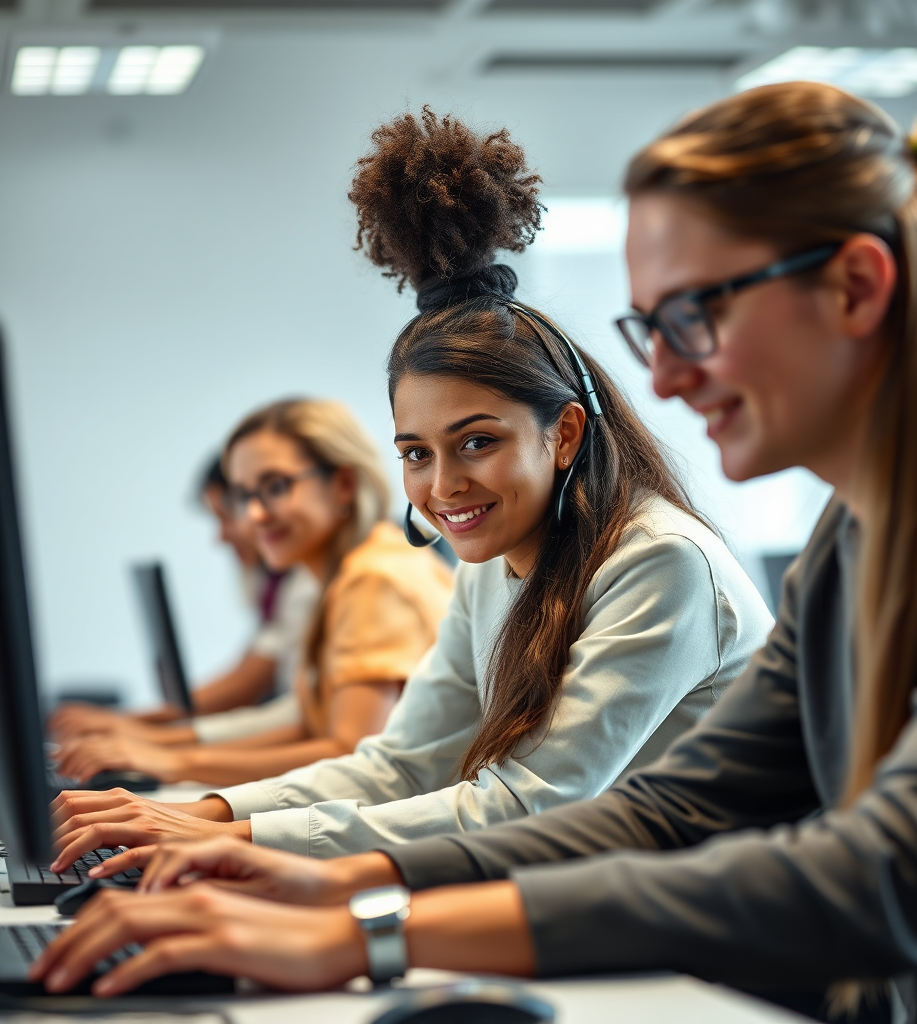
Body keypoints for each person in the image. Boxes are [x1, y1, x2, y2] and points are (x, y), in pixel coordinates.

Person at [37, 85, 917, 1024]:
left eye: (693, 316)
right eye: (650, 329)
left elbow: (896, 871)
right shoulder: (858, 533)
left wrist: (366, 932)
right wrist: (335, 883)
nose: (668, 376)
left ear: (856, 284)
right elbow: (668, 811)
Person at [48, 108, 772, 864]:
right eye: (417, 453)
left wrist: (236, 835)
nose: (444, 484)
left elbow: (528, 806)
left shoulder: (659, 563)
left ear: (563, 434)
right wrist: (203, 813)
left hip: (725, 949)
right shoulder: (491, 566)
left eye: (478, 443)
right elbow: (402, 764)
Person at [51, 398, 454, 787]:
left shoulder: (375, 579)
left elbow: (348, 752)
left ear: (344, 483)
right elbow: (306, 725)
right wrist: (159, 750)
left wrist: (173, 760)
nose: (254, 516)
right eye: (244, 496)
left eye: (275, 486)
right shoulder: (349, 574)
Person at [48, 456, 320, 747]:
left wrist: (144, 733)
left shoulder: (310, 586)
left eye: (225, 517)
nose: (221, 537)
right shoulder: (276, 584)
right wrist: (140, 728)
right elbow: (251, 671)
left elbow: (247, 686)